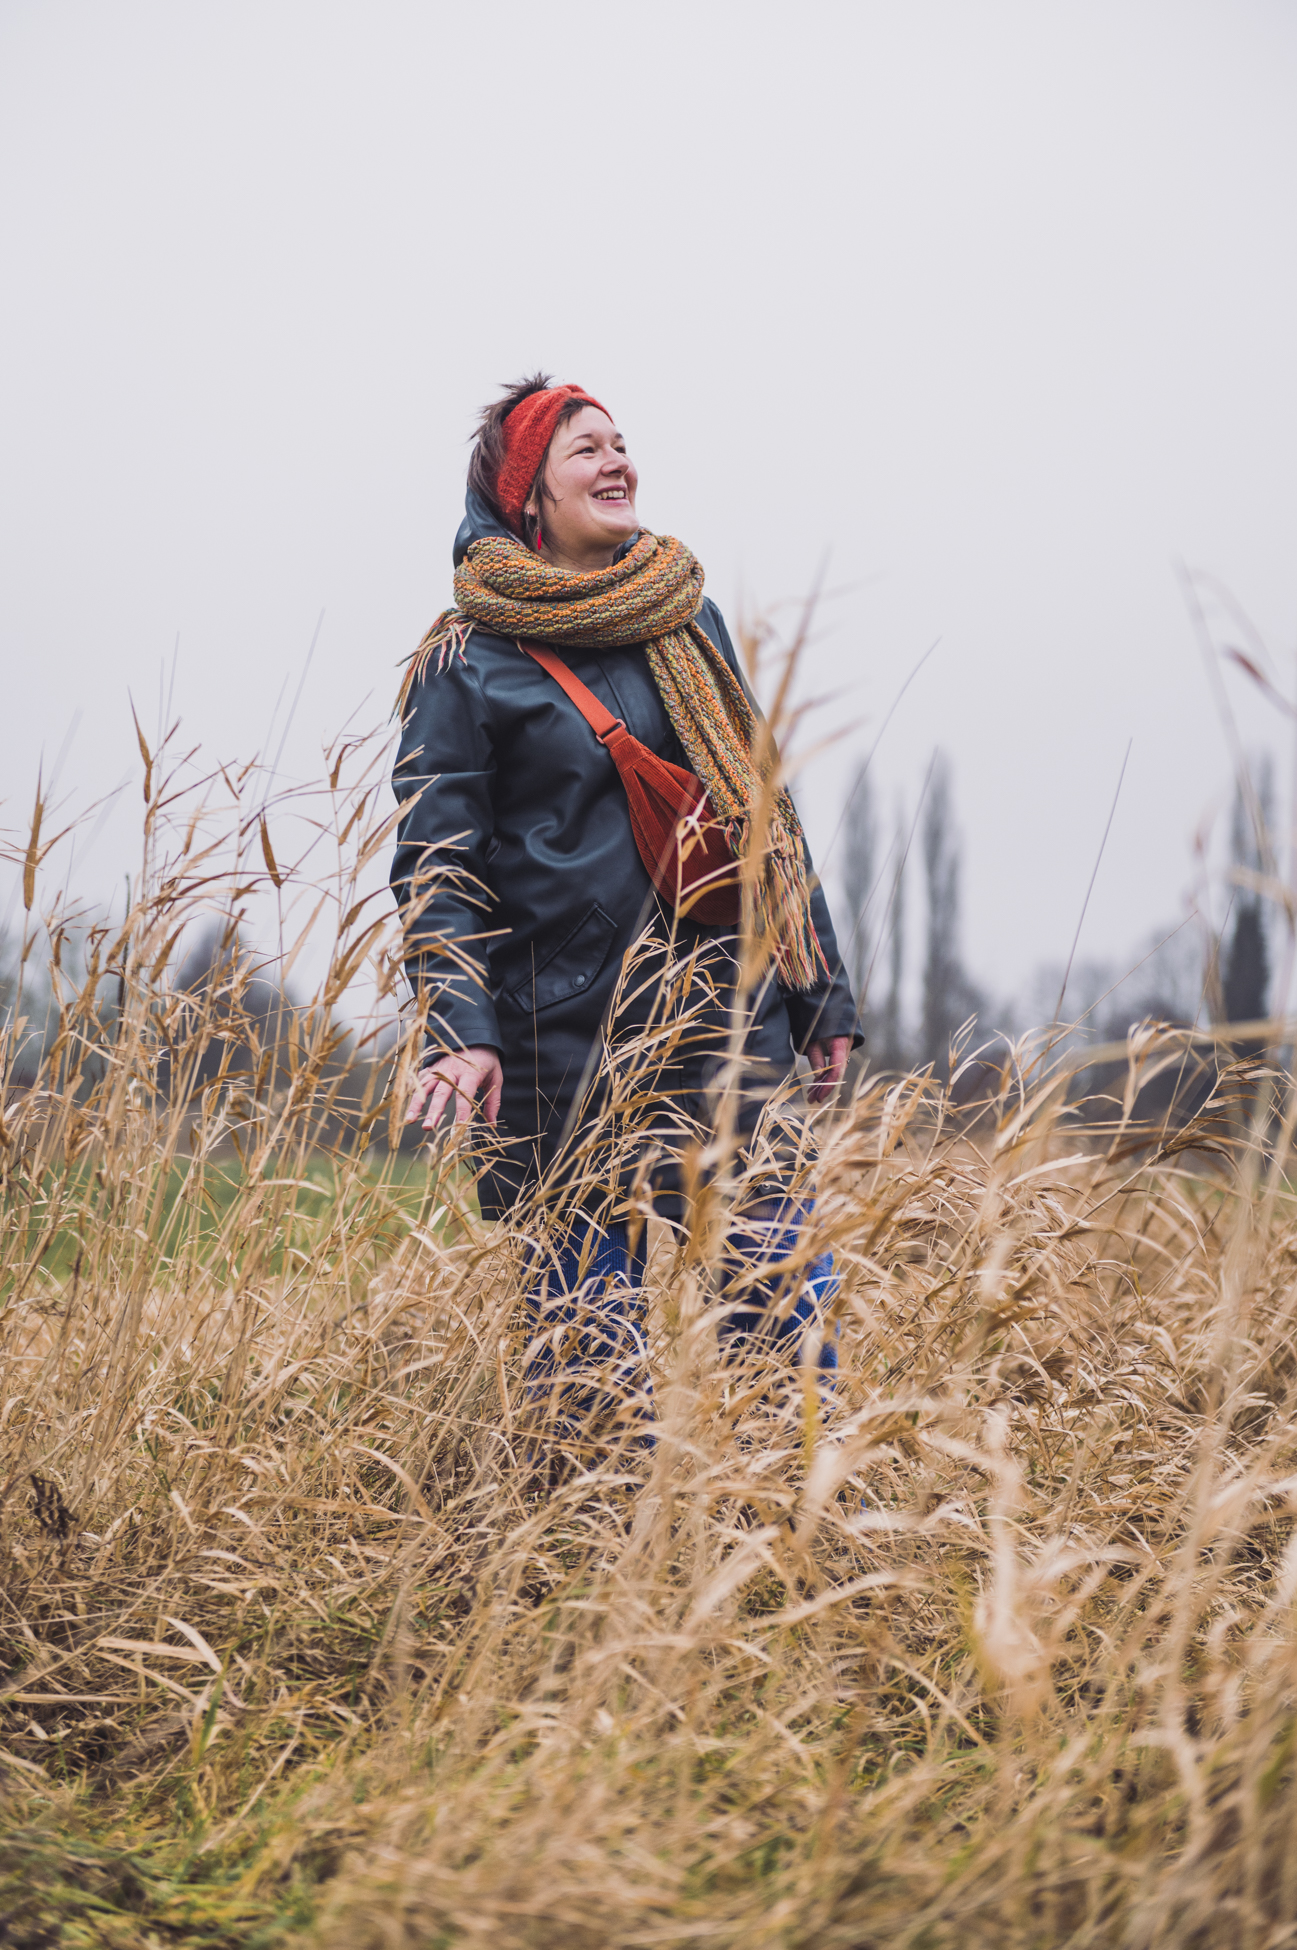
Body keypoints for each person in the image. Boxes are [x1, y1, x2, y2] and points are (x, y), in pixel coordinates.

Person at [391, 376, 858, 1453]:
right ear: (528, 502)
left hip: (722, 1012)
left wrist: (818, 994)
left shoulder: (684, 621)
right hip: (565, 1039)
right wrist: (462, 1031)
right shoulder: (465, 662)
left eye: (619, 443)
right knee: (587, 1342)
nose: (616, 463)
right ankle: (587, 1568)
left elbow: (764, 813)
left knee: (784, 1294)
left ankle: (788, 1533)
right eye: (583, 451)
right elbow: (436, 860)